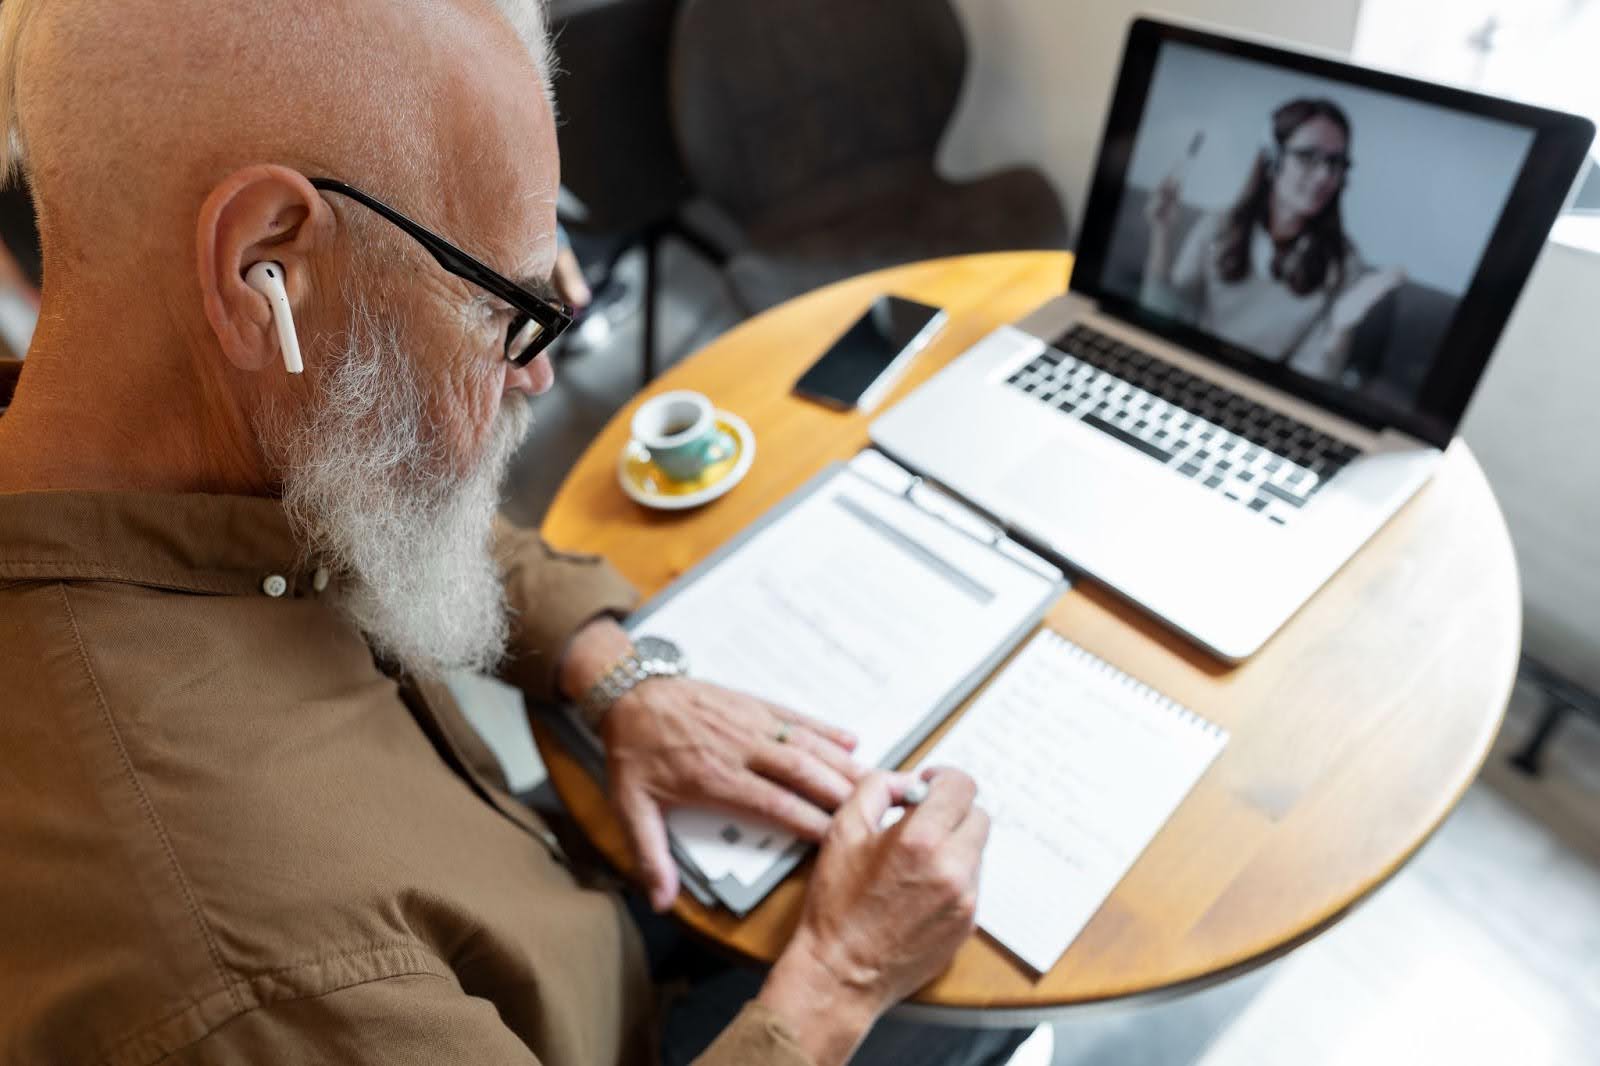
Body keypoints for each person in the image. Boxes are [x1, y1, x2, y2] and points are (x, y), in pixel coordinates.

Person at [0, 2, 1017, 1064]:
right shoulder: (247, 974)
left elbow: (366, 482)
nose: (536, 373)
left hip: (557, 911)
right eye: (508, 311)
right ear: (270, 269)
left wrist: (614, 672)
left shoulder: (154, 441)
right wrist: (838, 981)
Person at [1141, 97, 1406, 384]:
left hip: (1267, 391)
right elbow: (1162, 320)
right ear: (1272, 158)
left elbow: (1310, 381)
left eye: (1335, 163)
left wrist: (1339, 326)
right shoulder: (1217, 226)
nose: (1324, 177)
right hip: (1195, 369)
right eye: (1307, 157)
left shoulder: (1345, 264)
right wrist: (1162, 234)